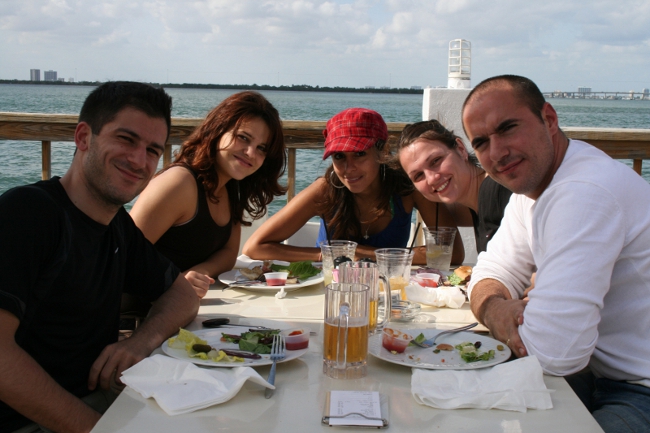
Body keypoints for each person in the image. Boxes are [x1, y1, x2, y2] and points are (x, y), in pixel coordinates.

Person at [0, 82, 199, 433]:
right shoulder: (29, 213)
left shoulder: (116, 224)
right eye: (126, 139)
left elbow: (183, 294)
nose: (139, 160)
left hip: (101, 402)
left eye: (152, 150)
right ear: (83, 137)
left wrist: (140, 342)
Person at [462, 75, 650, 432]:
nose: (497, 152)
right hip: (594, 373)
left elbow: (554, 353)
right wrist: (496, 308)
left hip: (638, 386)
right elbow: (490, 271)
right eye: (482, 142)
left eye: (508, 128)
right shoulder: (530, 193)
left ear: (548, 119)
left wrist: (517, 309)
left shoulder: (584, 191)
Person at [243, 107, 464, 265]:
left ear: (383, 150)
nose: (349, 168)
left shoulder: (407, 187)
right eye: (339, 156)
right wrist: (330, 255)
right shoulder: (325, 189)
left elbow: (452, 253)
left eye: (359, 154)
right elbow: (255, 247)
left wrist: (362, 253)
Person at [130, 91, 286, 298]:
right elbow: (121, 257)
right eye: (243, 138)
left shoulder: (232, 187)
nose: (250, 153)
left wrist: (199, 272)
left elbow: (228, 254)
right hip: (133, 308)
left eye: (261, 148)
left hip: (177, 303)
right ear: (217, 130)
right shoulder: (179, 183)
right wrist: (172, 282)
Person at [397, 119, 513, 254]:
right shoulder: (478, 203)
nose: (431, 179)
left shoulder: (500, 192)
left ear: (461, 149)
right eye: (418, 175)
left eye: (436, 161)